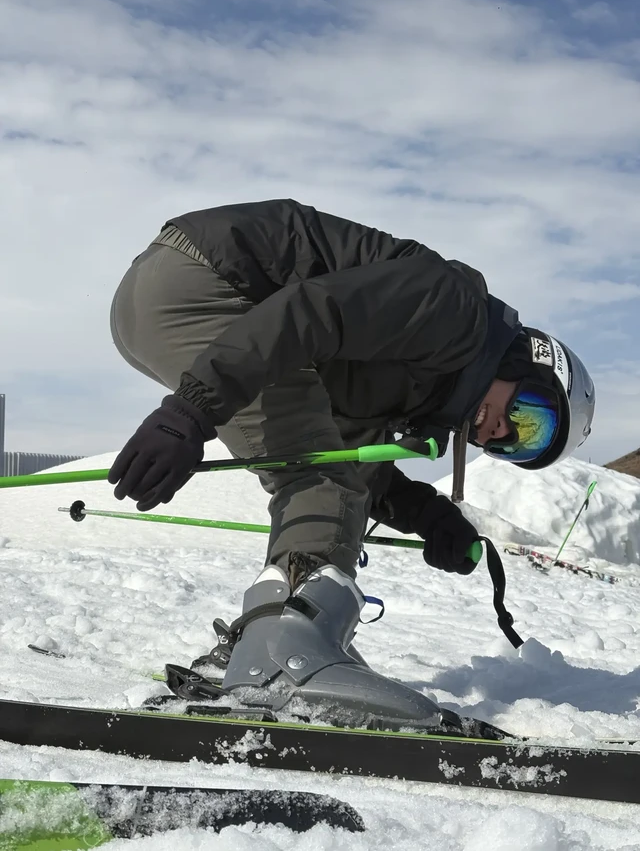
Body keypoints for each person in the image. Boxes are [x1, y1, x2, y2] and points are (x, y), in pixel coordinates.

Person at [108, 198, 595, 725]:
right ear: (531, 361)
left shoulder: (416, 386)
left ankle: (261, 649)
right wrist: (192, 410)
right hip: (204, 280)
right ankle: (283, 661)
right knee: (321, 482)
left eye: (519, 445)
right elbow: (311, 312)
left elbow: (350, 460)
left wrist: (429, 516)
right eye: (530, 417)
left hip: (173, 295)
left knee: (328, 473)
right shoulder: (456, 312)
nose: (501, 432)